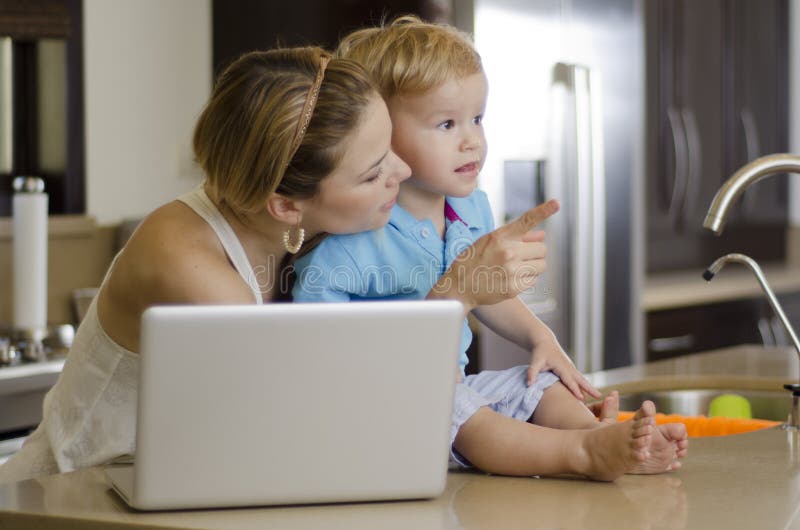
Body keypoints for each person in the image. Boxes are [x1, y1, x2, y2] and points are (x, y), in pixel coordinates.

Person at [0, 44, 561, 484]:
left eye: (391, 145)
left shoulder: (305, 231)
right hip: (70, 500)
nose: (400, 172)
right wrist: (457, 292)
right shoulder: (185, 261)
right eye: (371, 174)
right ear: (287, 204)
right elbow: (326, 410)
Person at [293, 16, 688, 480]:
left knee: (536, 383)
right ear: (378, 132)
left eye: (477, 119)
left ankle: (606, 440)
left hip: (453, 384)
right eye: (446, 123)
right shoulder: (349, 241)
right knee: (457, 407)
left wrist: (542, 338)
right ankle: (579, 455)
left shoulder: (471, 208)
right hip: (388, 408)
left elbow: (484, 295)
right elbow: (316, 361)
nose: (471, 141)